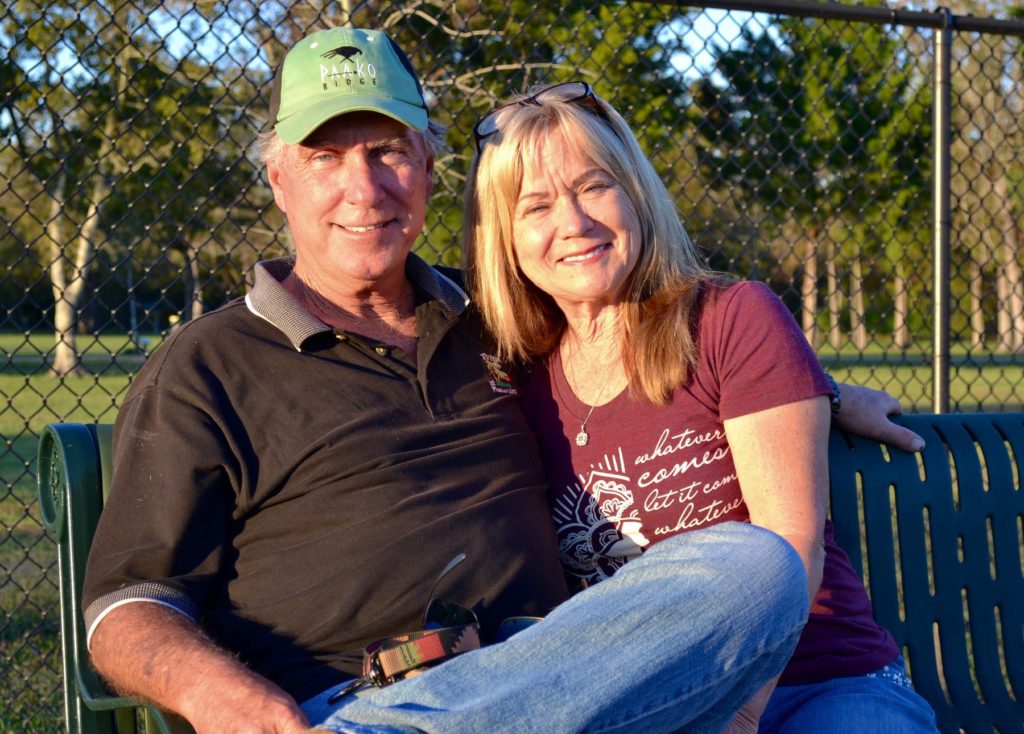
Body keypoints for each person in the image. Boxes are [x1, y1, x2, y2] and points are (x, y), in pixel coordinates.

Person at [82, 27, 921, 734]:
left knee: (752, 565)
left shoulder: (501, 324)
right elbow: (127, 604)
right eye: (325, 156)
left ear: (429, 167)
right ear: (278, 178)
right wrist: (224, 697)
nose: (362, 189)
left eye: (385, 152)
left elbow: (664, 348)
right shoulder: (207, 364)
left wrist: (817, 394)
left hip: (578, 684)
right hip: (362, 695)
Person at [463, 80, 939, 733]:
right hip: (644, 705)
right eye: (536, 205)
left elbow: (790, 546)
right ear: (504, 239)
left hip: (817, 683)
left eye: (595, 186)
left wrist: (737, 719)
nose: (573, 224)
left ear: (635, 192)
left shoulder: (729, 318)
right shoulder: (512, 375)